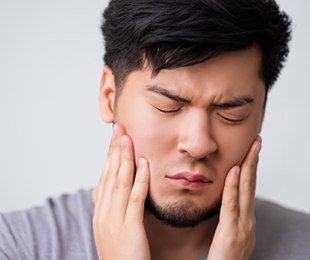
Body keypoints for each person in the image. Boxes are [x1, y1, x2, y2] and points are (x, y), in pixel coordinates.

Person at [1, 0, 310, 259]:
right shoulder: (18, 245)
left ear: (262, 113)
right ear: (110, 97)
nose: (199, 144)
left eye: (231, 113)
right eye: (169, 106)